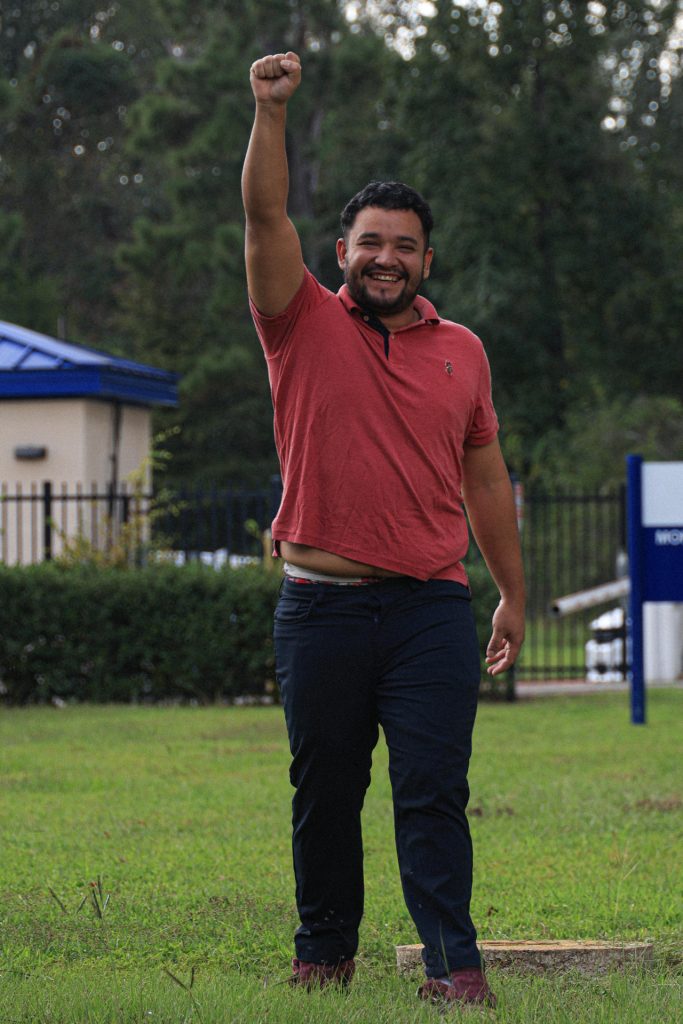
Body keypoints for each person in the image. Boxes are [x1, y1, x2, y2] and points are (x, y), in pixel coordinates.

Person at [242, 51, 525, 1009]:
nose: (386, 258)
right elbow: (262, 216)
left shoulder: (463, 354)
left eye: (404, 245)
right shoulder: (298, 323)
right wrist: (270, 113)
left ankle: (453, 966)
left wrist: (512, 595)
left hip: (430, 611)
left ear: (425, 261)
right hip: (318, 610)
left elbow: (484, 477)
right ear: (342, 252)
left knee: (431, 792)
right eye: (370, 242)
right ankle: (323, 955)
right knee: (325, 796)